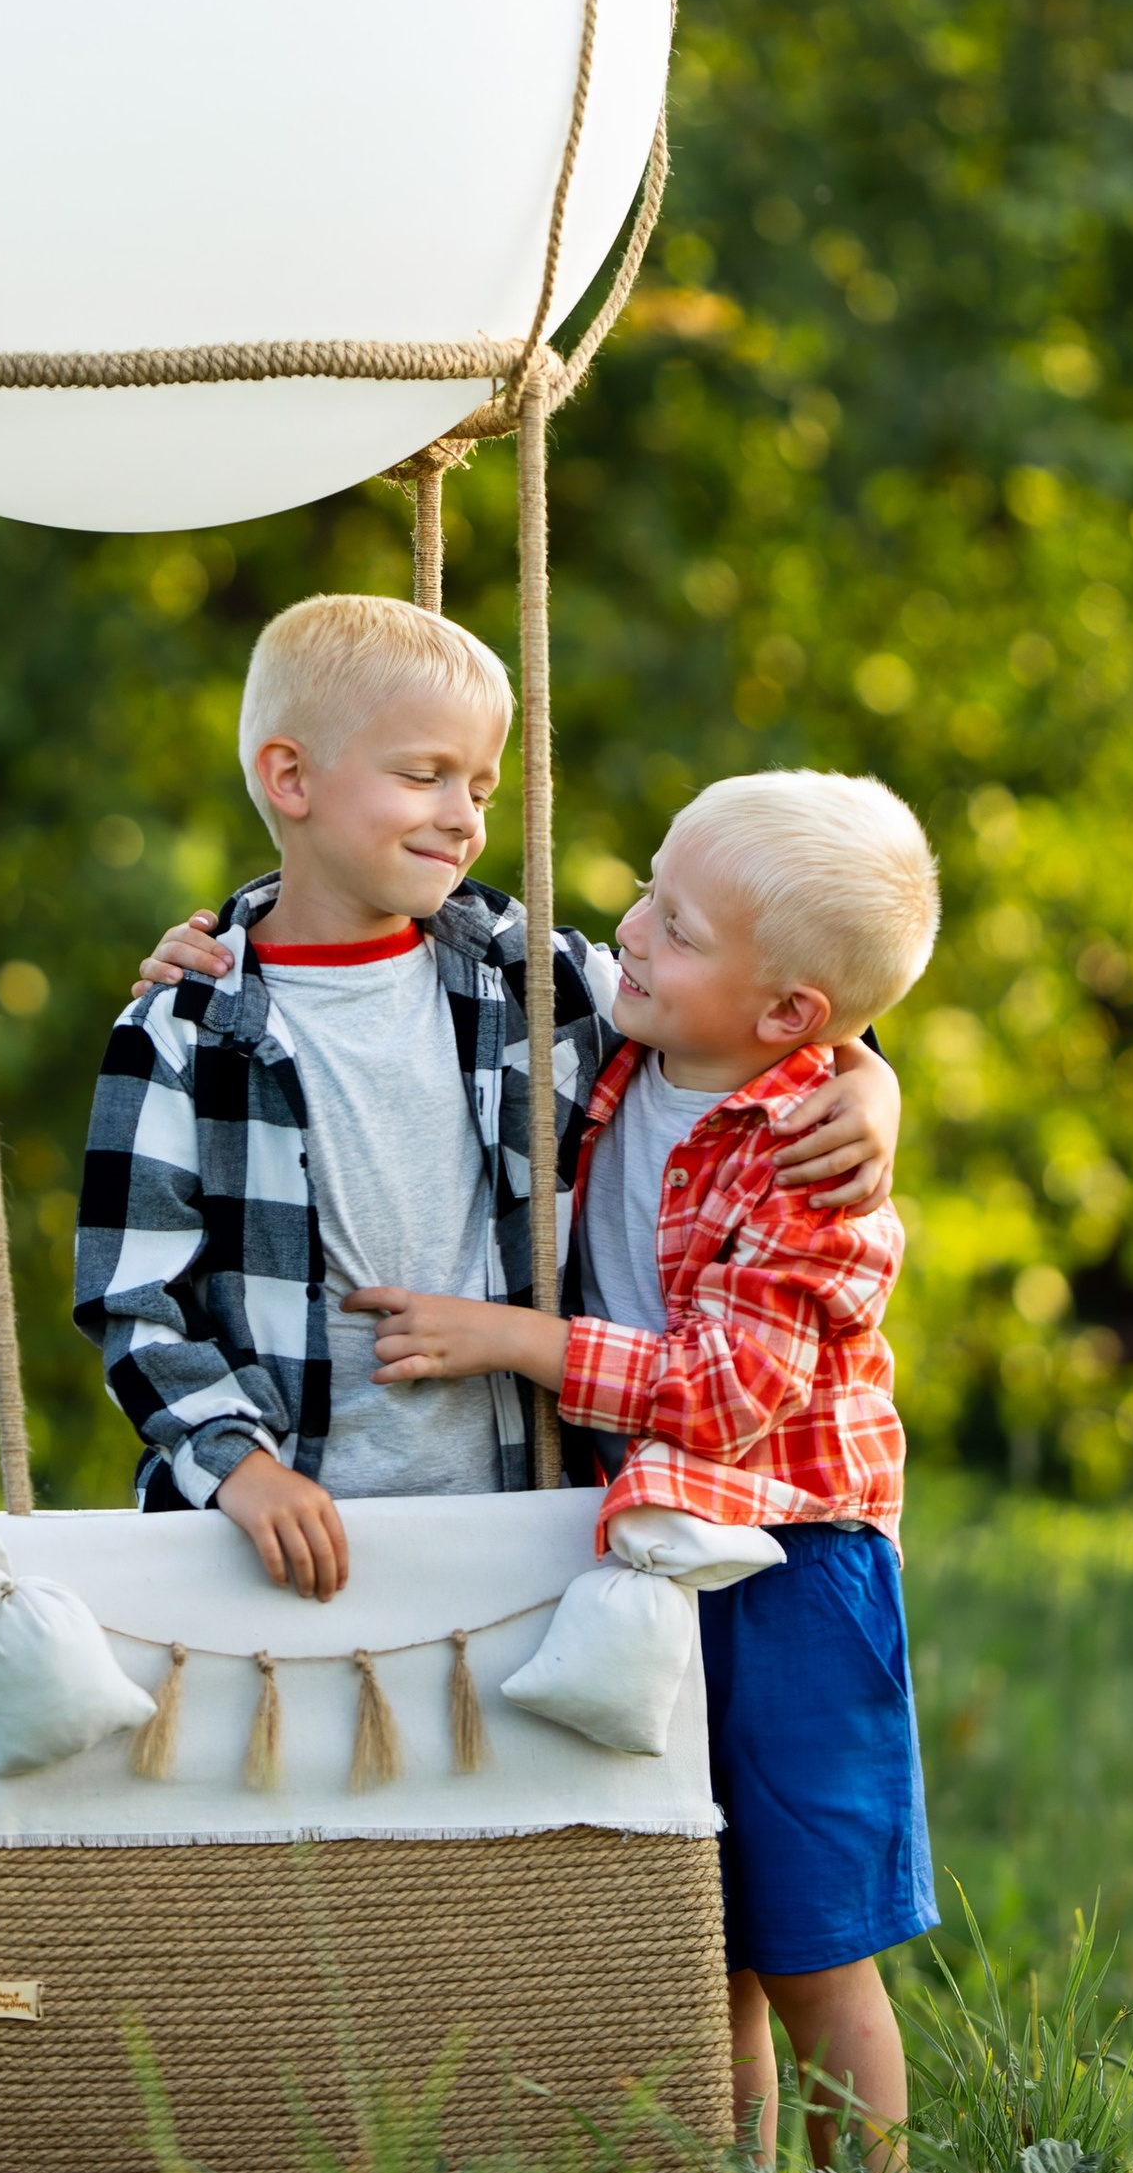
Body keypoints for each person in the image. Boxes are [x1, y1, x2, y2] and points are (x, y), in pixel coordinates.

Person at [347, 768, 940, 2173]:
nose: (629, 932)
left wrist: (517, 1343)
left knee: (808, 1928)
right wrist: (201, 951)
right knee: (697, 1907)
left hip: (795, 1558)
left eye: (671, 924)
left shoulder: (807, 1163)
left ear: (789, 1013)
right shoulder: (635, 1037)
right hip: (657, 1545)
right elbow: (393, 926)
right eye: (650, 894)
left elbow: (736, 1396)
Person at [75, 597, 902, 1607]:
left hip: (528, 1520)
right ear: (289, 778)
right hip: (281, 1523)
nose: (463, 816)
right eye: (423, 775)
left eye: (479, 786)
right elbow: (132, 1297)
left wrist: (866, 1070)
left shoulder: (535, 983)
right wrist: (239, 1471)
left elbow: (746, 1019)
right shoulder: (183, 1031)